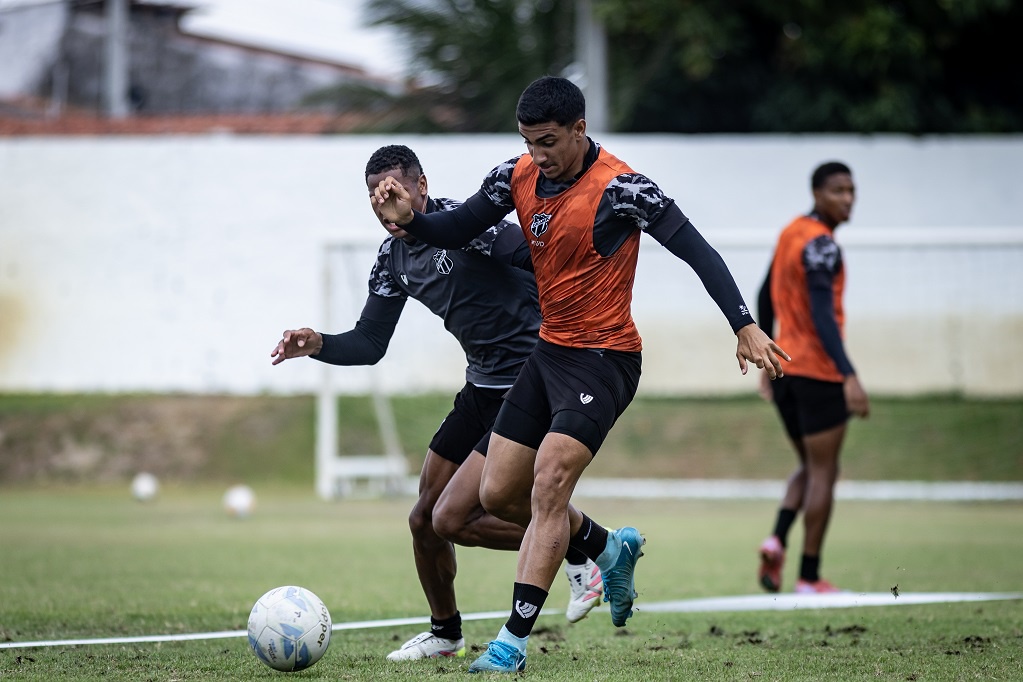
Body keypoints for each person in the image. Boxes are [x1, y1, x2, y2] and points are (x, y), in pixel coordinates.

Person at [371, 76, 789, 674]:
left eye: (547, 142)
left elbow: (699, 251)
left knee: (548, 484)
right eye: (528, 142)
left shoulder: (624, 189)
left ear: (579, 129)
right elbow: (457, 229)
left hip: (605, 358)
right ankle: (609, 550)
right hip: (548, 356)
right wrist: (410, 218)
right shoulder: (513, 176)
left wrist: (743, 323)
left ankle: (511, 644)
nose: (536, 155)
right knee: (496, 494)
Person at [270, 145, 605, 663]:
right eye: (374, 196)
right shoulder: (392, 259)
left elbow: (541, 259)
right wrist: (318, 344)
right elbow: (370, 342)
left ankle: (577, 544)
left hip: (530, 384)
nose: (385, 204)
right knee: (424, 519)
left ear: (421, 187)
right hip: (481, 386)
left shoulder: (466, 226)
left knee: (454, 517)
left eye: (393, 191)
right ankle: (446, 633)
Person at [754, 161, 870, 595]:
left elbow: (764, 295)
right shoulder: (823, 244)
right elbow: (823, 315)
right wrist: (849, 375)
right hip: (817, 373)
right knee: (824, 470)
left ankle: (776, 539)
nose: (848, 199)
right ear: (818, 194)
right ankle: (808, 576)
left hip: (785, 369)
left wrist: (768, 358)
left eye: (851, 191)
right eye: (839, 191)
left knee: (808, 464)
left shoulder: (790, 233)